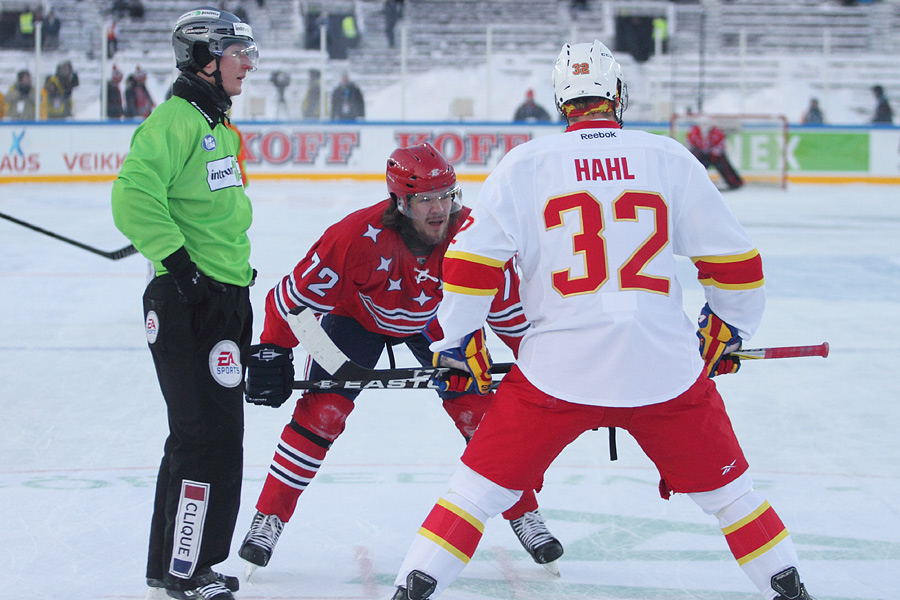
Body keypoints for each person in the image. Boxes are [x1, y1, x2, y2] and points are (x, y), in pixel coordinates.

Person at [389, 40, 816, 600]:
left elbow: (470, 263)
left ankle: (409, 589)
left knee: (474, 493)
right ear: (617, 94)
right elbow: (736, 263)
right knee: (734, 497)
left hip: (556, 373)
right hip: (663, 370)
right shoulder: (667, 157)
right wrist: (730, 329)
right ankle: (792, 590)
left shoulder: (525, 164)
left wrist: (457, 341)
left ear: (560, 103)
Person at [236, 142, 565, 580]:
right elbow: (291, 300)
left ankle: (524, 514)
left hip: (438, 323)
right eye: (425, 199)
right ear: (399, 201)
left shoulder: (471, 236)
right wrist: (275, 350)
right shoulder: (353, 237)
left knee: (479, 417)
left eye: (446, 195)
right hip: (355, 322)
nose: (439, 210)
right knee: (322, 414)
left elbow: (507, 313)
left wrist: (541, 362)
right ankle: (269, 517)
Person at [110, 7, 259, 600]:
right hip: (188, 300)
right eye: (238, 53)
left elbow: (208, 208)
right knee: (202, 436)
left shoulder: (219, 128)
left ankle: (176, 561)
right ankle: (184, 571)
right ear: (205, 59)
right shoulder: (174, 122)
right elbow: (131, 196)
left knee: (211, 436)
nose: (248, 64)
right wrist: (180, 266)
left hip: (223, 296)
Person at [686, 119, 743, 190]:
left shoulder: (716, 131)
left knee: (723, 164)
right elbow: (690, 144)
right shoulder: (694, 132)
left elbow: (721, 144)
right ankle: (689, 183)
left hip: (715, 155)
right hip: (701, 154)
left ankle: (734, 182)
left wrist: (715, 153)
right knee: (694, 166)